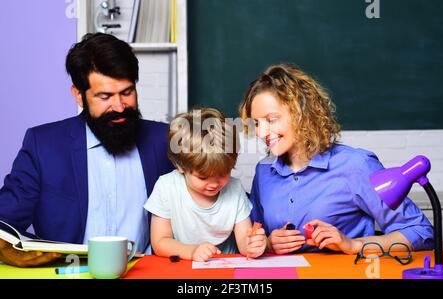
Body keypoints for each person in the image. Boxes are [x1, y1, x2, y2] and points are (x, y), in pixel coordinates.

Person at [0, 33, 174, 267]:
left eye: (127, 92)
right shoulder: (43, 145)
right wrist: (6, 250)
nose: (120, 106)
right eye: (105, 96)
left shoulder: (164, 139)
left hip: (147, 272)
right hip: (68, 273)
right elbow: (4, 219)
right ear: (79, 96)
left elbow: (219, 186)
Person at [239, 63, 434, 255]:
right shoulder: (264, 171)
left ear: (302, 114)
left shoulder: (355, 165)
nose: (261, 132)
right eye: (256, 123)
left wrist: (353, 244)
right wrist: (268, 243)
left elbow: (421, 231)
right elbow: (255, 236)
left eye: (271, 120)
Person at [144, 108, 267, 261]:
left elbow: (243, 241)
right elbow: (160, 242)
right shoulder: (166, 187)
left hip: (227, 268)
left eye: (223, 174)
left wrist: (252, 244)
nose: (214, 184)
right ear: (181, 166)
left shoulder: (234, 189)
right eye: (203, 177)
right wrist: (192, 251)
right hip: (184, 267)